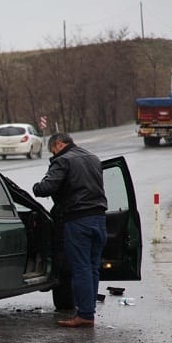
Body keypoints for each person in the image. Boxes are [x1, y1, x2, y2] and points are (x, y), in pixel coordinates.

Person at [33, 132, 107, 328]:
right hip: (99, 218)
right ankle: (87, 312)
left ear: (58, 144)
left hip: (77, 219)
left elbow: (47, 187)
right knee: (92, 267)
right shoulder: (93, 157)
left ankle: (84, 314)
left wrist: (36, 187)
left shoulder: (63, 161)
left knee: (80, 267)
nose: (53, 154)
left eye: (52, 150)